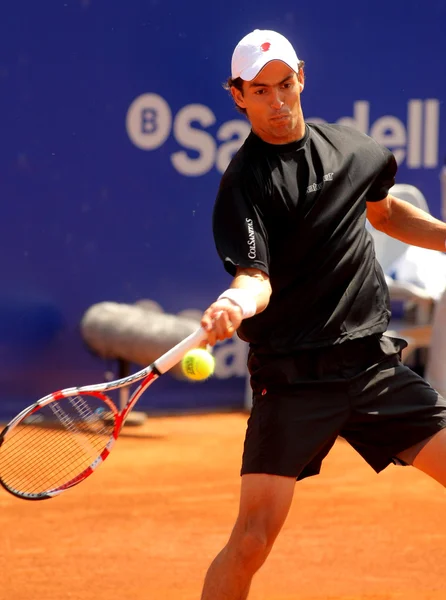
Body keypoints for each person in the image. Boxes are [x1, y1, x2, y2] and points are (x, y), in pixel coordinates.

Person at [199, 29, 446, 599]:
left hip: (370, 368)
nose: (278, 101)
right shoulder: (243, 184)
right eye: (261, 91)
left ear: (302, 76)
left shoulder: (355, 150)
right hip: (293, 381)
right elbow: (254, 278)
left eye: (285, 84)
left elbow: (385, 215)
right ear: (238, 95)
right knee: (252, 540)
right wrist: (234, 303)